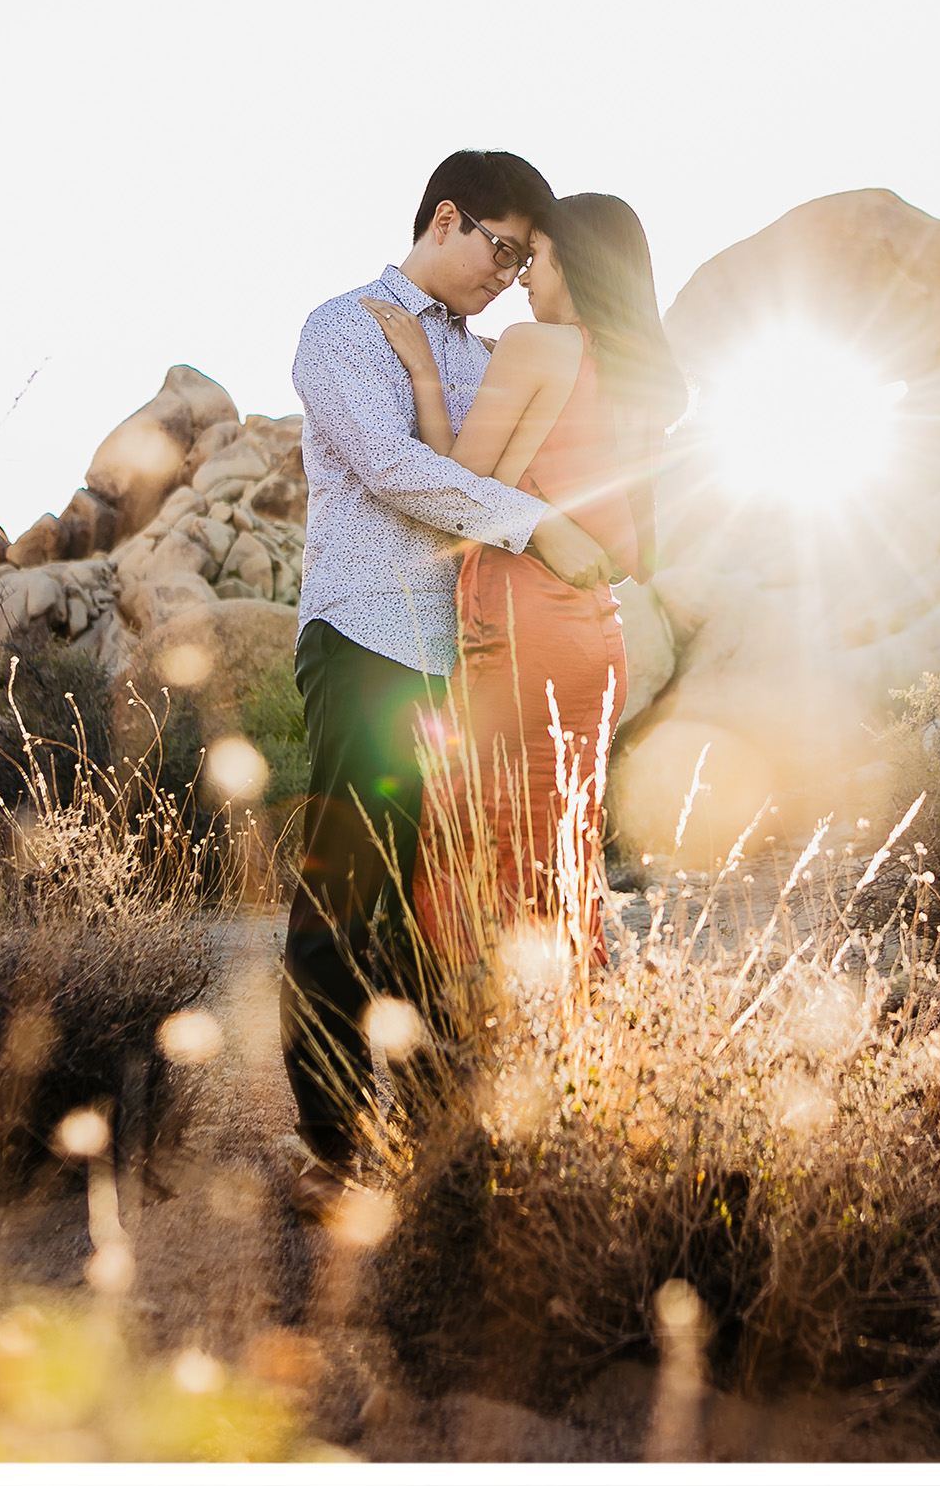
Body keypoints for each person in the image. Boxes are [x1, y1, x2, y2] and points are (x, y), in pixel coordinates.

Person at [281, 150, 617, 1218]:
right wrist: (534, 525)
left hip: (473, 662)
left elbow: (485, 459)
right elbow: (393, 467)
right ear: (446, 218)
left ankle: (434, 1135)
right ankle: (333, 1143)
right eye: (503, 248)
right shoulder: (341, 327)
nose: (513, 273)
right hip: (371, 638)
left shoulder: (485, 354)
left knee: (435, 903)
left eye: (529, 258)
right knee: (347, 890)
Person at [356, 192, 685, 981]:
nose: (524, 278)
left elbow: (461, 497)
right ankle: (578, 1049)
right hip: (596, 636)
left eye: (535, 258)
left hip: (522, 625)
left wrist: (426, 377)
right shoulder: (636, 374)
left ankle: (494, 1047)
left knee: (482, 836)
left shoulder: (538, 347)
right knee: (562, 847)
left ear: (574, 263)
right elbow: (628, 549)